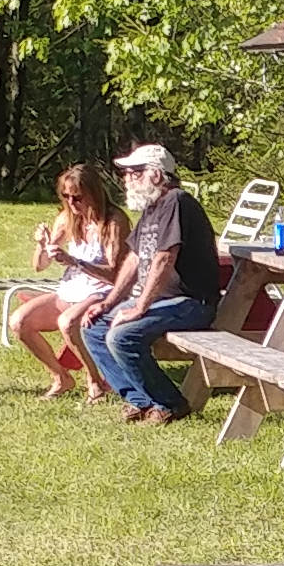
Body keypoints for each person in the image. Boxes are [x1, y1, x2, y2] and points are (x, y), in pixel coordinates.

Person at [85, 140, 222, 422]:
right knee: (93, 327)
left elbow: (163, 258)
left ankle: (170, 403)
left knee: (122, 337)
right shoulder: (152, 207)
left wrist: (139, 308)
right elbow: (135, 258)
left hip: (191, 302)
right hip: (163, 300)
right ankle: (140, 400)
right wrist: (109, 302)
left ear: (156, 174)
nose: (126, 179)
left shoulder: (176, 202)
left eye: (134, 172)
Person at [12, 167, 131, 402]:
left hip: (102, 292)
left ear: (94, 193)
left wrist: (75, 261)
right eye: (65, 197)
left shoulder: (113, 222)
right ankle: (61, 377)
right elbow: (40, 265)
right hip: (71, 290)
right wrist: (42, 244)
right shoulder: (68, 217)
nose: (71, 203)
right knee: (19, 322)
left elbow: (116, 275)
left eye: (77, 197)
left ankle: (96, 382)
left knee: (67, 323)